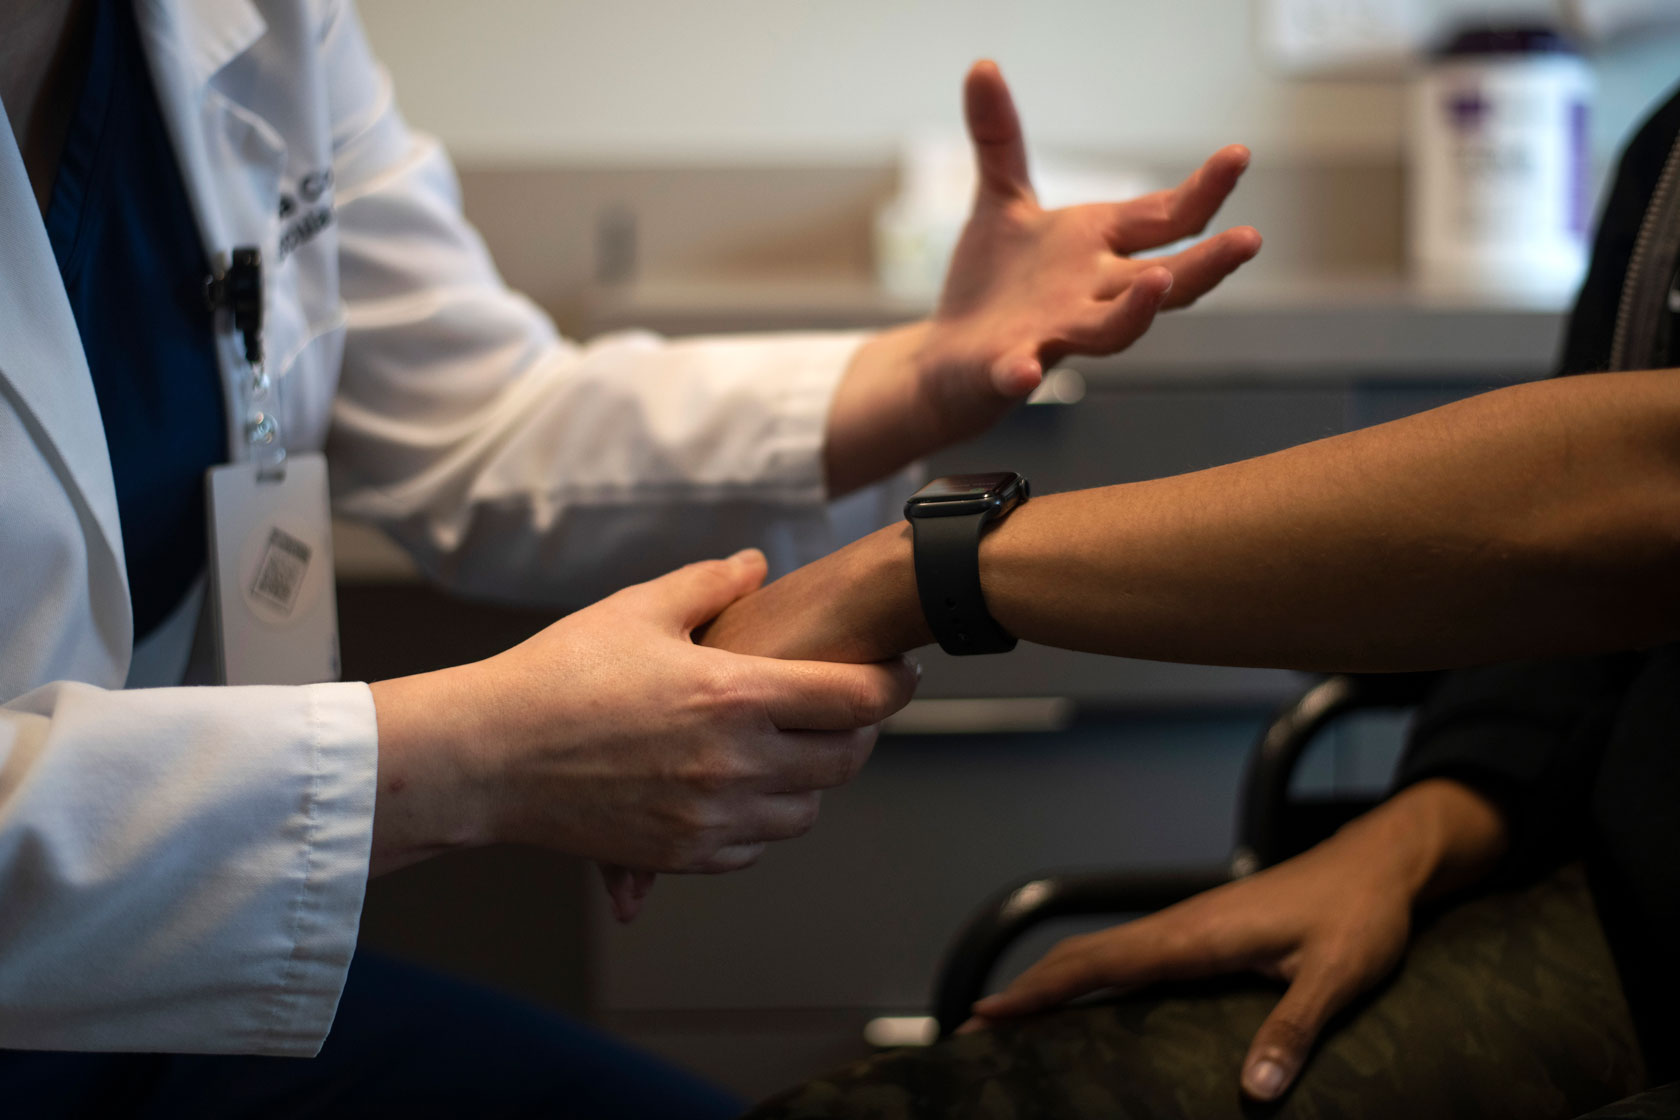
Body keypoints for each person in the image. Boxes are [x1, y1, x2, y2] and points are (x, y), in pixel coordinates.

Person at [0, 0, 1262, 1111]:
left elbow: (483, 422)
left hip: (154, 977)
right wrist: (481, 757)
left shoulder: (257, 23)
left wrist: (916, 375)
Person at [714, 78, 1680, 1119]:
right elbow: (1573, 609)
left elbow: (1625, 491)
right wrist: (1409, 835)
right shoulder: (1667, 158)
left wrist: (920, 571)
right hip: (1621, 913)